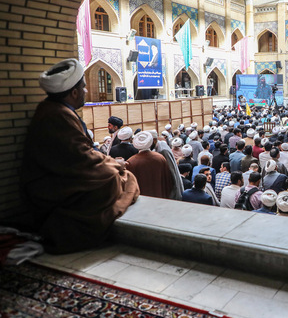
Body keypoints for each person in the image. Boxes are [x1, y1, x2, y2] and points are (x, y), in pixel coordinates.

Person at [20, 59, 140, 254]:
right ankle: (69, 230)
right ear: (74, 92)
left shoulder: (55, 110)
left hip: (60, 177)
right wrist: (114, 165)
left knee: (120, 177)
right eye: (84, 87)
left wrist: (110, 163)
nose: (86, 91)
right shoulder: (57, 115)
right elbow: (81, 159)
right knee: (118, 180)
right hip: (51, 186)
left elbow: (79, 154)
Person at [127, 131, 174, 199]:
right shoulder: (160, 158)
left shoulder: (131, 162)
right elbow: (168, 182)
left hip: (142, 203)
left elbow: (130, 188)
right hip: (161, 200)